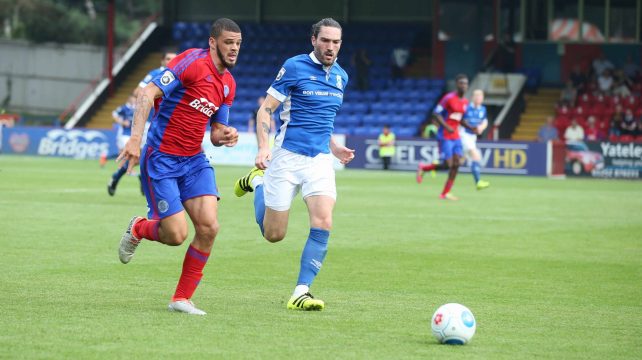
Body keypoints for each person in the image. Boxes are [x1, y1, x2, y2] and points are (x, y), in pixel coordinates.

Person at [115, 18, 242, 316]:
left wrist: (226, 134)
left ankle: (181, 298)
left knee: (209, 227)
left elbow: (216, 130)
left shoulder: (228, 84)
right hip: (162, 158)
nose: (234, 49)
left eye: (238, 43)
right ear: (213, 42)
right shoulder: (191, 63)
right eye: (228, 43)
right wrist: (135, 139)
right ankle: (138, 228)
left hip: (194, 161)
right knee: (175, 235)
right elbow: (147, 93)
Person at [233, 18, 354, 311]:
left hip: (320, 161)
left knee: (323, 220)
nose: (331, 47)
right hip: (287, 157)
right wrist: (263, 147)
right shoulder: (295, 67)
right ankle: (257, 181)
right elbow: (266, 109)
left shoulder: (341, 76)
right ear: (314, 40)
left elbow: (325, 122)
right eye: (325, 40)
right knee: (274, 234)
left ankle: (301, 291)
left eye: (336, 42)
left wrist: (335, 147)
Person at [415, 74, 480, 200]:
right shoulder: (449, 98)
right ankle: (424, 168)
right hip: (445, 136)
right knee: (448, 164)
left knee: (456, 165)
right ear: (457, 84)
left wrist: (471, 128)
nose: (464, 85)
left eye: (466, 83)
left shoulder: (465, 102)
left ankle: (445, 193)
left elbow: (460, 119)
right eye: (461, 83)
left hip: (456, 136)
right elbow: (436, 113)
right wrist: (446, 126)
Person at [460, 89, 490, 190]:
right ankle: (478, 182)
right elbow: (460, 120)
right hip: (464, 135)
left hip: (472, 137)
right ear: (473, 98)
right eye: (476, 96)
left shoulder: (483, 109)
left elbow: (485, 121)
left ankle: (428, 167)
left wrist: (482, 127)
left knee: (457, 162)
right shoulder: (466, 108)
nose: (478, 98)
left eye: (480, 96)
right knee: (476, 156)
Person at [107, 94, 136, 196]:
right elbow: (114, 114)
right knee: (131, 156)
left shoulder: (138, 109)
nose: (135, 100)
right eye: (134, 98)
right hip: (125, 135)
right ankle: (119, 175)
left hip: (138, 136)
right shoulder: (124, 108)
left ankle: (118, 176)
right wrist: (122, 122)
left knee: (138, 159)